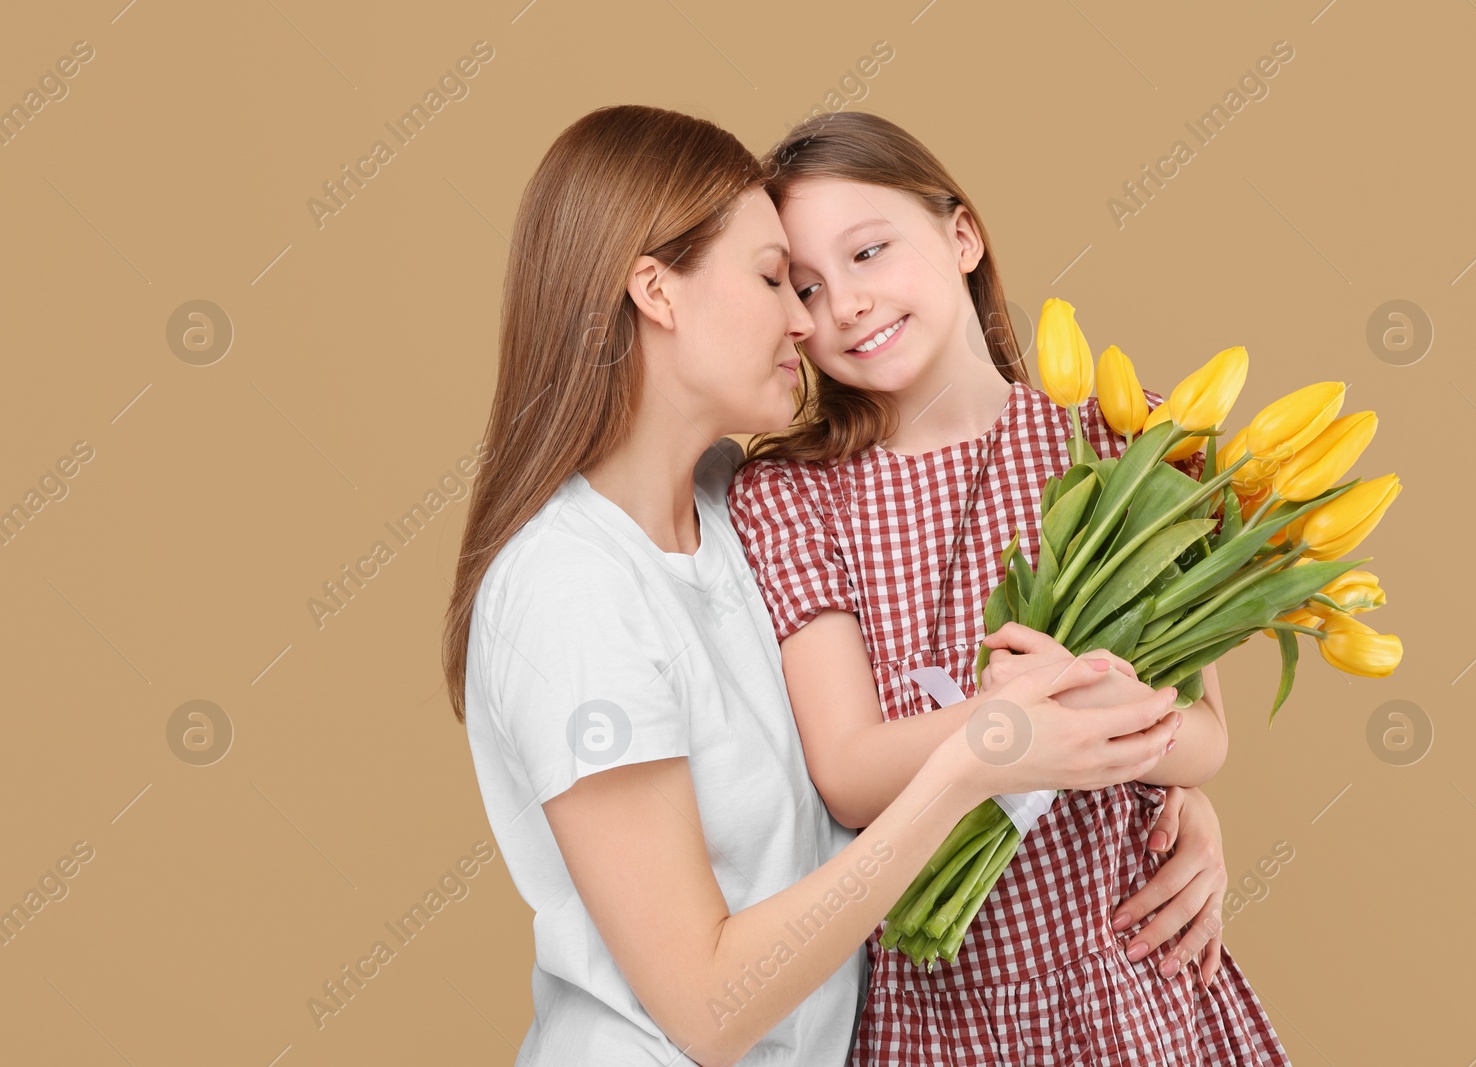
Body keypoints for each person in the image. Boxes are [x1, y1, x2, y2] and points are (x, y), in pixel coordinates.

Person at [440, 104, 1189, 1066]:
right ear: (656, 293)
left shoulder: (730, 507)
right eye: (774, 279)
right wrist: (977, 763)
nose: (812, 316)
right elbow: (709, 1009)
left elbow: (860, 730)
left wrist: (1152, 794)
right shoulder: (569, 590)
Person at [727, 111, 1292, 1064]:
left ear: (961, 234)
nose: (848, 305)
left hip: (1127, 978)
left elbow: (1203, 738)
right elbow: (851, 769)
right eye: (808, 288)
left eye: (871, 252)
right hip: (929, 1007)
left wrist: (1137, 716)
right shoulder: (792, 496)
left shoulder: (1122, 438)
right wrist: (1021, 724)